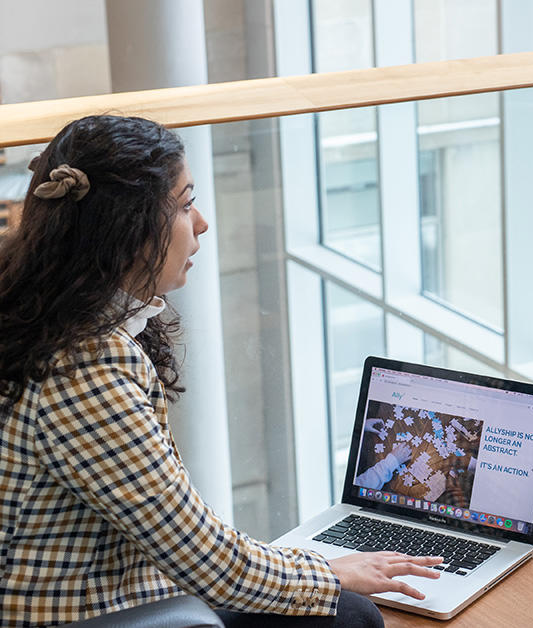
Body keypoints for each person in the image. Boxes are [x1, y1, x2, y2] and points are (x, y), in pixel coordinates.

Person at [0, 115, 441, 627]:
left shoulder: (39, 313)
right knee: (350, 615)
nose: (202, 223)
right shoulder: (87, 370)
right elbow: (209, 565)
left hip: (110, 596)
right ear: (128, 226)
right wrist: (328, 572)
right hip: (93, 616)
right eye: (185, 204)